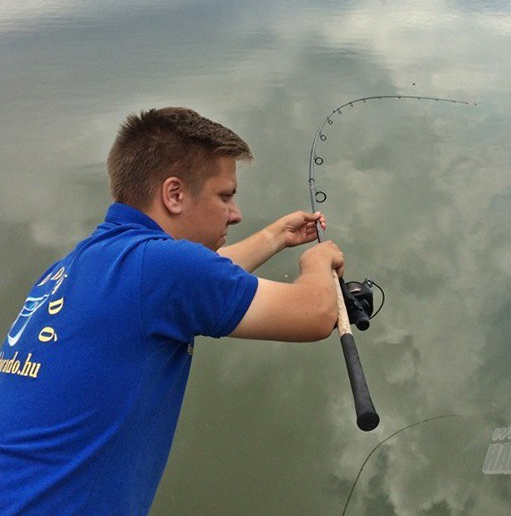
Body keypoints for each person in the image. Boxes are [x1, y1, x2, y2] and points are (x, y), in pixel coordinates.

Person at [0, 107, 344, 516]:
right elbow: (315, 312)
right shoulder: (163, 271)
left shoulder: (77, 266)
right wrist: (318, 263)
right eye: (225, 195)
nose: (236, 214)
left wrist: (275, 237)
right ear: (175, 194)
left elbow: (195, 283)